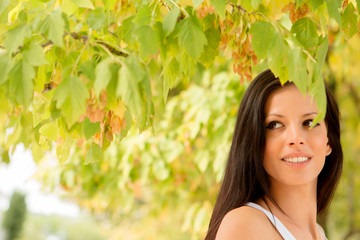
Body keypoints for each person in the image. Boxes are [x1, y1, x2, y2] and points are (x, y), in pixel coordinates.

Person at [204, 69, 343, 240]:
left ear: (328, 141)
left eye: (310, 122)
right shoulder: (245, 225)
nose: (296, 138)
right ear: (256, 142)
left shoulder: (319, 234)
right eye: (275, 125)